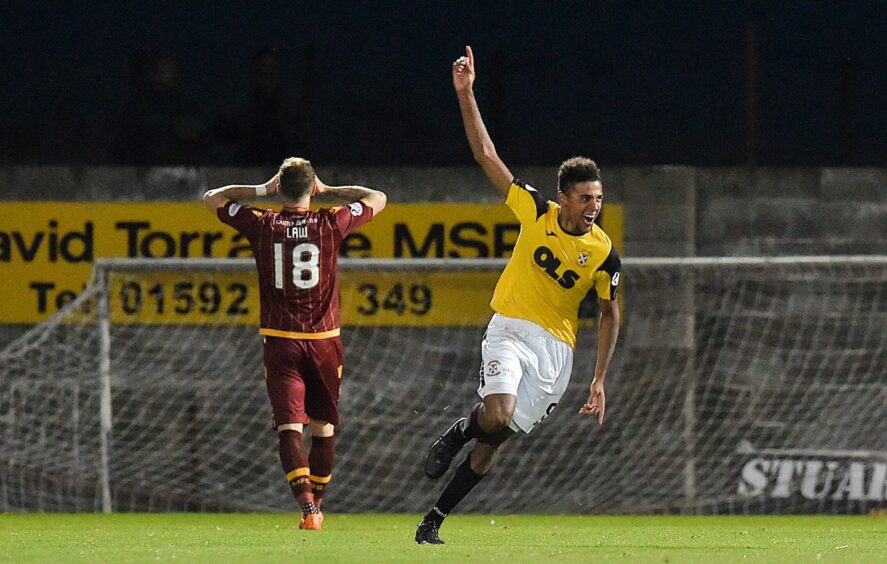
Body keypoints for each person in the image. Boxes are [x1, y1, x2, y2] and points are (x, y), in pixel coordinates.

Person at [415, 46, 621, 545]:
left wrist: (598, 379)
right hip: (510, 329)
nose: (594, 205)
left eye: (599, 197)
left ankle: (433, 521)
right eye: (585, 197)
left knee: (492, 448)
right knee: (497, 414)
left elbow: (611, 313)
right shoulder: (536, 211)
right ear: (565, 197)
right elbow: (486, 155)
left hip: (558, 354)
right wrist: (466, 94)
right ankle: (458, 431)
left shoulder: (603, 251)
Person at [203, 157, 386, 530]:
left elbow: (211, 197)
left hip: (281, 342)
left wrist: (261, 191)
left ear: (280, 187)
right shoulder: (331, 221)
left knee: (289, 428)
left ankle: (307, 509)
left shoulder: (262, 223)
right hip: (324, 341)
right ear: (311, 187)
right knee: (323, 429)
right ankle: (317, 507)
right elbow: (378, 196)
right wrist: (329, 189)